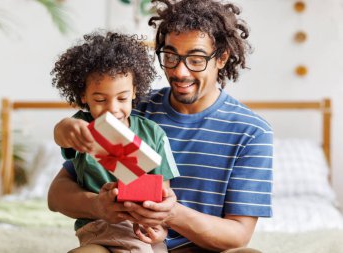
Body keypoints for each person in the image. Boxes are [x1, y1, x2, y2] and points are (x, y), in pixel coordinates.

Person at [48, 0, 273, 252]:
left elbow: (238, 236)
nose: (180, 71)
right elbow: (57, 194)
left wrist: (168, 212)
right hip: (123, 242)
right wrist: (97, 206)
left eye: (196, 59)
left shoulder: (252, 132)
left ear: (221, 57)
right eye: (170, 56)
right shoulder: (128, 107)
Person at [50, 31, 180, 253]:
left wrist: (157, 224)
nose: (112, 109)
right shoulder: (83, 126)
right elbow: (61, 134)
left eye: (122, 98)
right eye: (100, 99)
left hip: (139, 230)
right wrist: (67, 128)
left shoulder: (153, 134)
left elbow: (162, 193)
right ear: (83, 95)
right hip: (96, 230)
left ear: (134, 92)